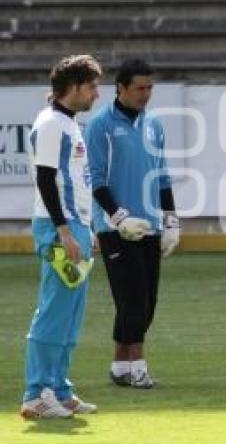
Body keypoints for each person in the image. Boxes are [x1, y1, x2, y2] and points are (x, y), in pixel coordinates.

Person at [85, 59, 179, 389]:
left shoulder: (155, 125)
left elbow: (163, 175)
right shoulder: (100, 126)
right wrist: (118, 217)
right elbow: (94, 179)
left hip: (150, 225)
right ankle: (138, 367)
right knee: (133, 299)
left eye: (150, 88)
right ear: (121, 88)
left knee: (145, 302)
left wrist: (171, 220)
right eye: (140, 88)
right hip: (116, 229)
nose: (146, 94)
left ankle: (120, 366)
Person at [21, 55, 102, 419]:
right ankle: (35, 394)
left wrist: (88, 228)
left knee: (70, 314)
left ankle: (58, 388)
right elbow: (45, 180)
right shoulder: (52, 124)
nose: (96, 94)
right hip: (60, 229)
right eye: (92, 87)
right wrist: (65, 231)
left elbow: (75, 184)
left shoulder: (68, 123)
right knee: (54, 311)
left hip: (76, 226)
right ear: (74, 87)